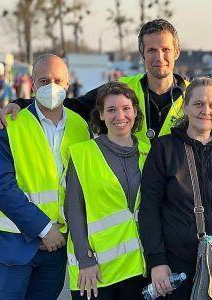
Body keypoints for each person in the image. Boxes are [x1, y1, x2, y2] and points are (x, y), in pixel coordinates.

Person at [0, 19, 212, 152]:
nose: (159, 57)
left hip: (177, 196)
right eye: (152, 50)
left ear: (177, 51)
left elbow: (209, 128)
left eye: (166, 49)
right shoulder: (121, 89)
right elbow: (69, 105)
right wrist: (19, 103)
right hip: (130, 189)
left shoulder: (194, 94)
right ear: (142, 54)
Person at [139, 77, 212, 299]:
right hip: (177, 265)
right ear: (185, 106)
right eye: (198, 104)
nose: (206, 111)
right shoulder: (163, 149)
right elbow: (149, 207)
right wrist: (157, 261)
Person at [0, 54, 90, 300]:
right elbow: (1, 187)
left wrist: (60, 233)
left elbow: (80, 185)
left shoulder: (81, 127)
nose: (51, 86)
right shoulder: (10, 124)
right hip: (13, 245)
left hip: (55, 251)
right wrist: (45, 230)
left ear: (68, 84)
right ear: (32, 84)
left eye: (58, 80)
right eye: (44, 81)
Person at [65, 81, 147, 300]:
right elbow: (74, 209)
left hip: (138, 269)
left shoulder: (149, 154)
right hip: (95, 271)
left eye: (126, 109)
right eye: (111, 110)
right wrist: (85, 260)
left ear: (135, 111)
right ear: (100, 115)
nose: (120, 116)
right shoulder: (83, 154)